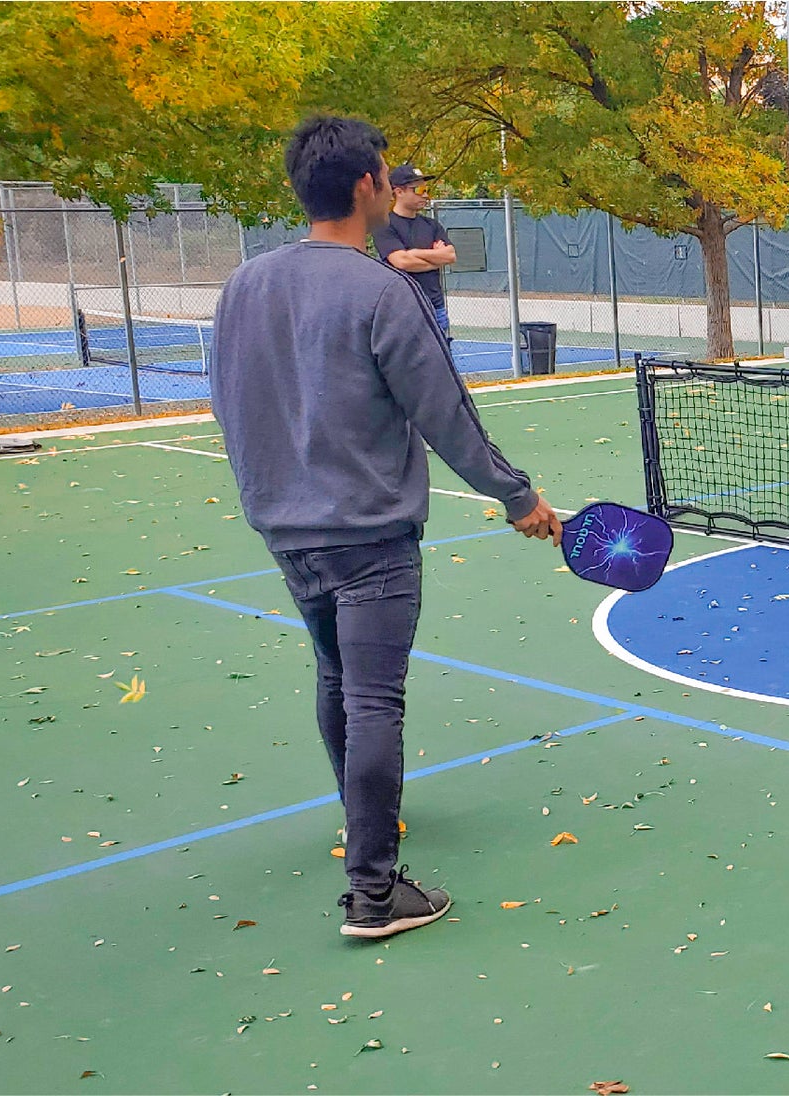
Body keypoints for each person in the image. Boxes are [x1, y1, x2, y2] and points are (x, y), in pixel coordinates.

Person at [209, 115, 563, 940]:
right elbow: (447, 414)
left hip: (286, 532)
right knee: (373, 699)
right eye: (385, 173)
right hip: (369, 537)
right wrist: (519, 498)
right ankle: (373, 891)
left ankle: (360, 823)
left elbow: (229, 405)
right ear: (369, 185)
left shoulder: (243, 286)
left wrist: (269, 497)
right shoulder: (382, 290)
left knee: (336, 679)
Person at [373, 163, 457, 339]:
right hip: (402, 310)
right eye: (417, 189)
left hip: (436, 308)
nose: (425, 194)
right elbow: (402, 262)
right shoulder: (385, 225)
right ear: (399, 192)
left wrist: (412, 253)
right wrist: (434, 259)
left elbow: (449, 255)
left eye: (426, 189)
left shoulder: (432, 225)